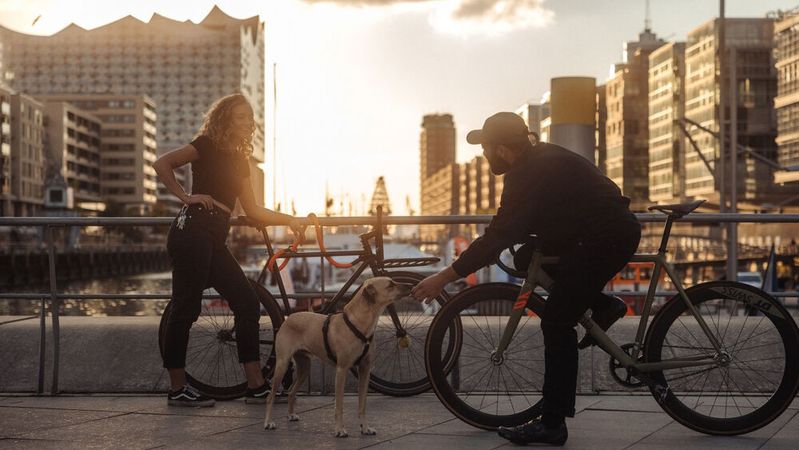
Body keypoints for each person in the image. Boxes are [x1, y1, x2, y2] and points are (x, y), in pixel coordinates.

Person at [411, 112, 640, 445]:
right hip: (591, 233)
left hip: (604, 238)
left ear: (502, 149)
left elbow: (496, 237)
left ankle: (552, 424)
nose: (484, 155)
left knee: (557, 322)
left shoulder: (528, 174)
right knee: (524, 256)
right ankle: (602, 306)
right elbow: (512, 230)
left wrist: (444, 277)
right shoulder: (538, 159)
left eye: (486, 148)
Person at [154, 93, 300, 407]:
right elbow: (162, 163)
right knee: (185, 308)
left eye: (250, 117)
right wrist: (186, 197)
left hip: (214, 236)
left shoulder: (240, 160)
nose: (248, 122)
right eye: (240, 117)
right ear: (224, 119)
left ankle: (255, 385)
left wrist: (292, 219)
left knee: (247, 302)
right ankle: (177, 390)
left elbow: (254, 209)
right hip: (191, 230)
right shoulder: (206, 144)